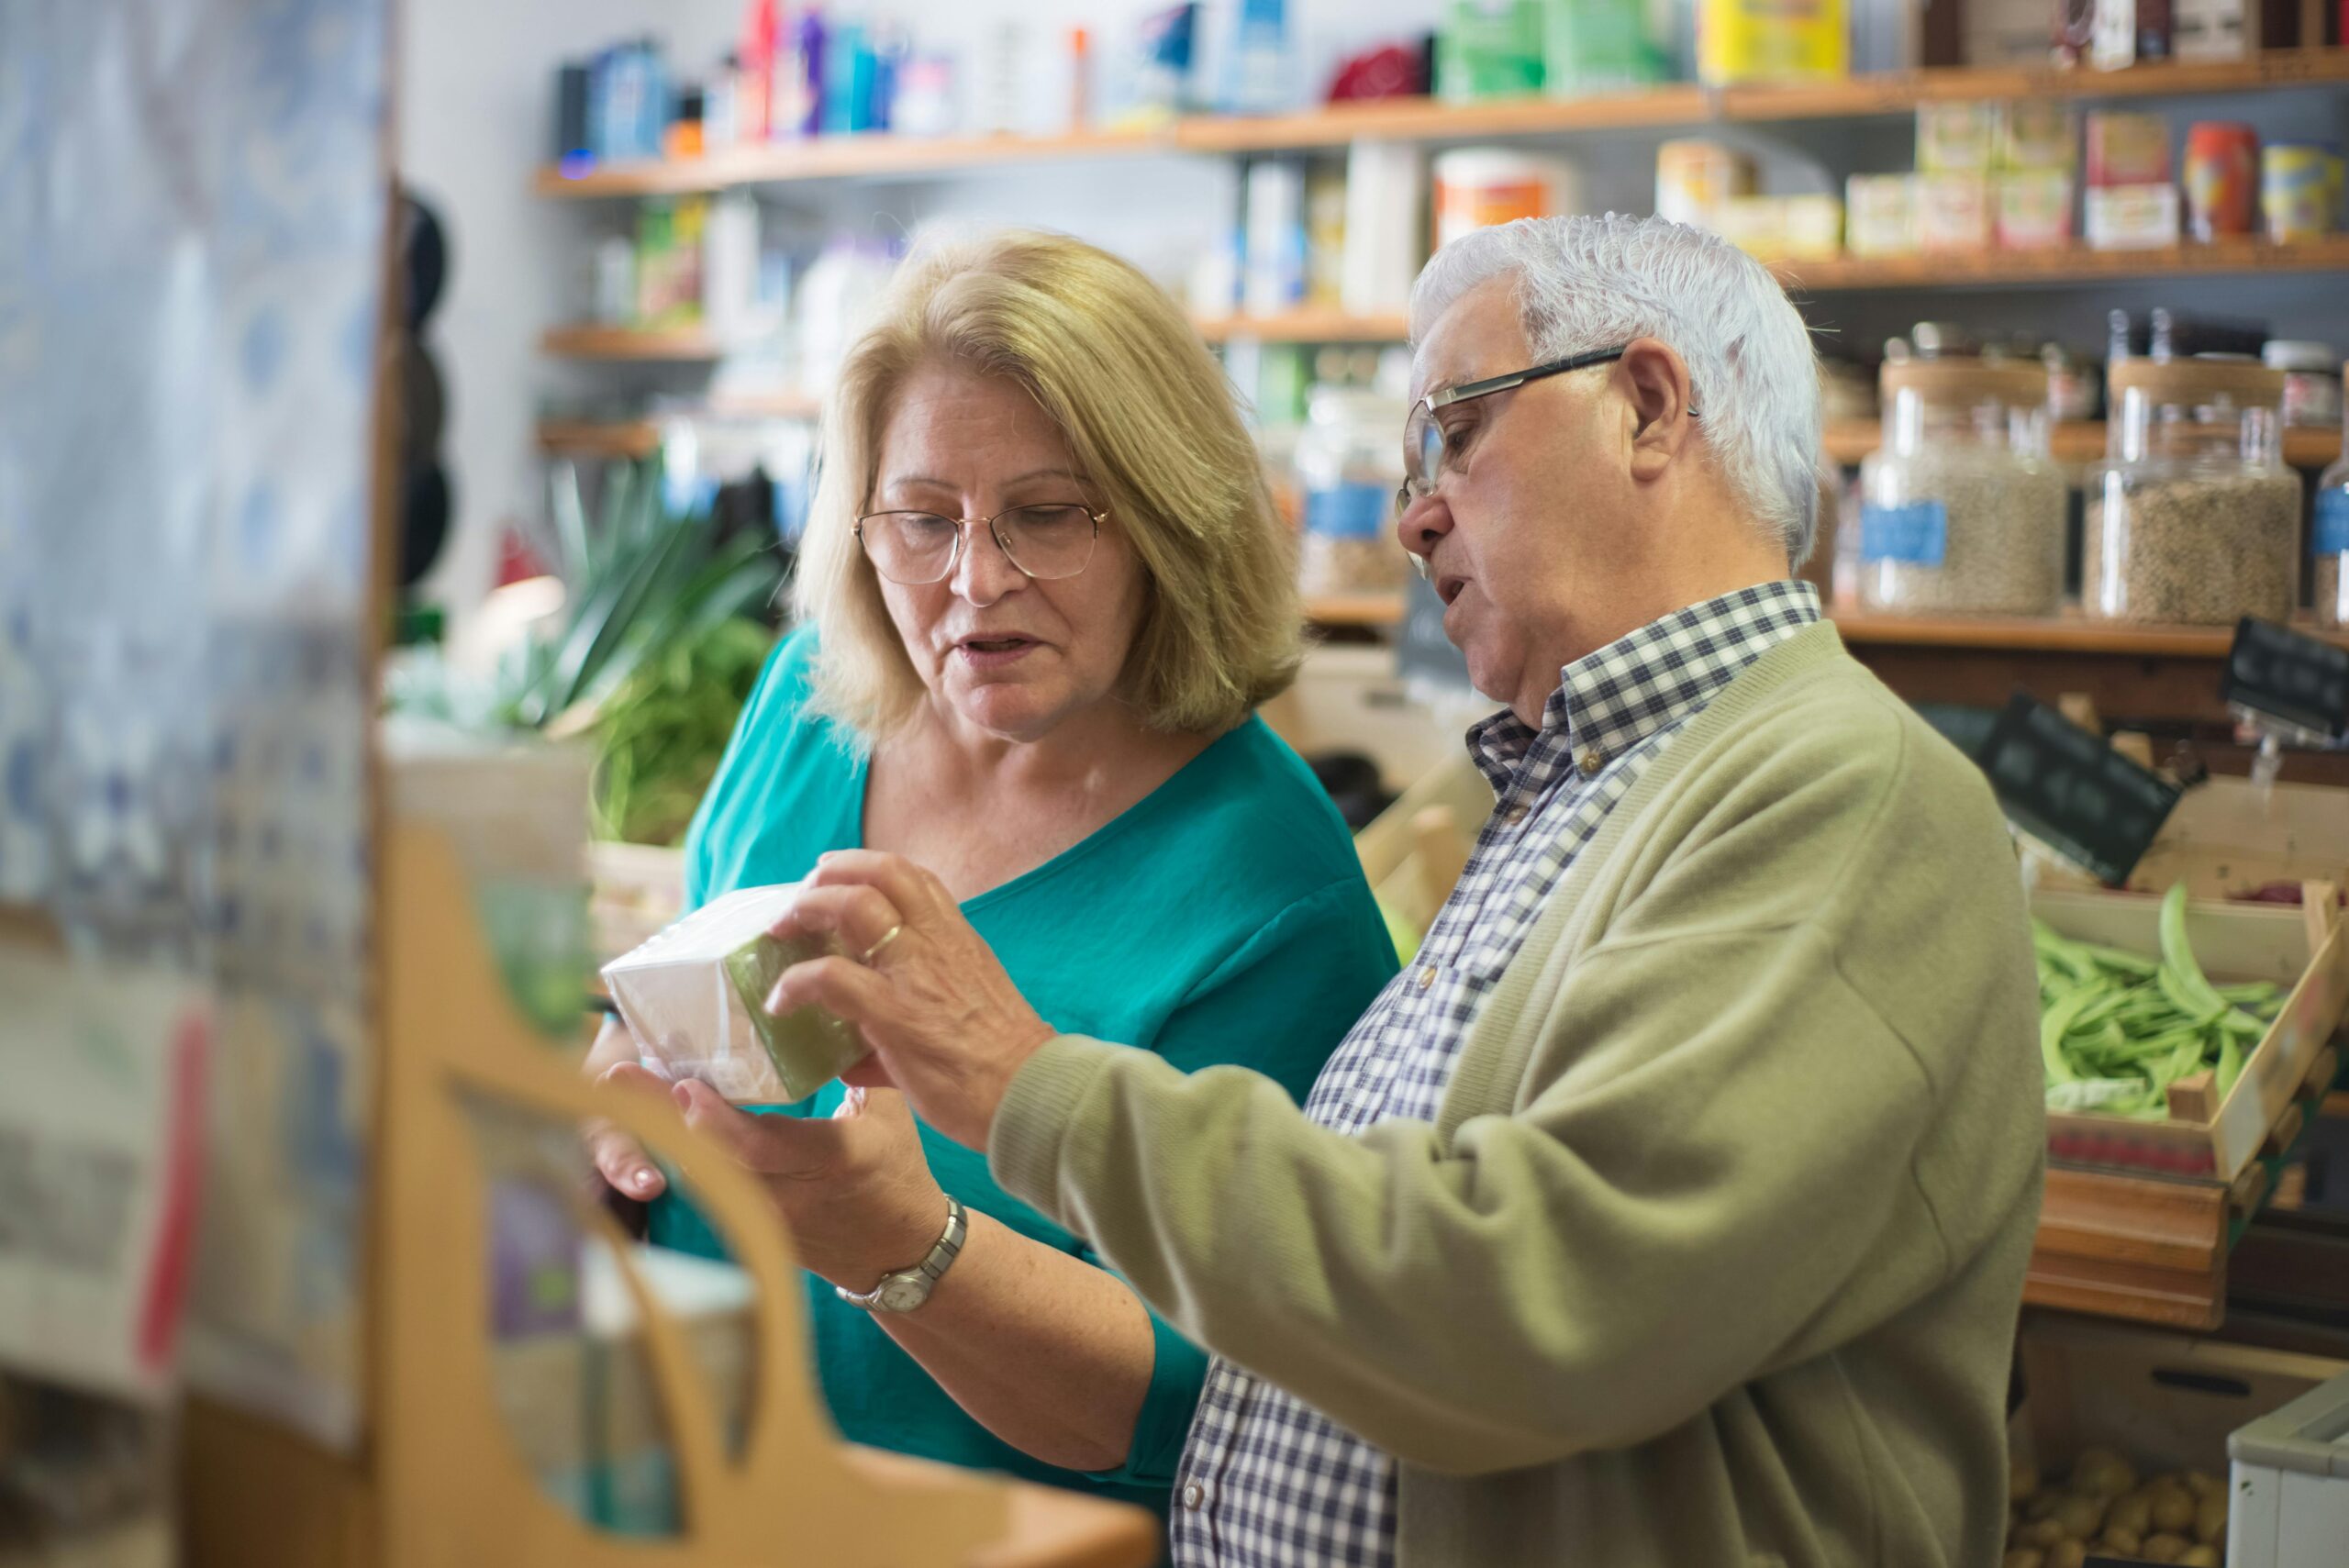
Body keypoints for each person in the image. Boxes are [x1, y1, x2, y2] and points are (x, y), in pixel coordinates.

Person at [755, 215, 2047, 1568]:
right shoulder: (1602, 782)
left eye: (1456, 433)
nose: (1413, 508)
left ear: (1648, 408)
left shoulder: (1840, 794)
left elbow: (1534, 1300)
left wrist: (1024, 1082)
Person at [581, 229, 1399, 1529]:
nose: (975, 580)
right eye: (923, 518)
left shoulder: (1272, 890)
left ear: (1170, 520)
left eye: (1047, 512)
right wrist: (617, 1083)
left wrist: (903, 1249)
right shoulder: (807, 709)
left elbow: (1214, 1403)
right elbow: (673, 1005)